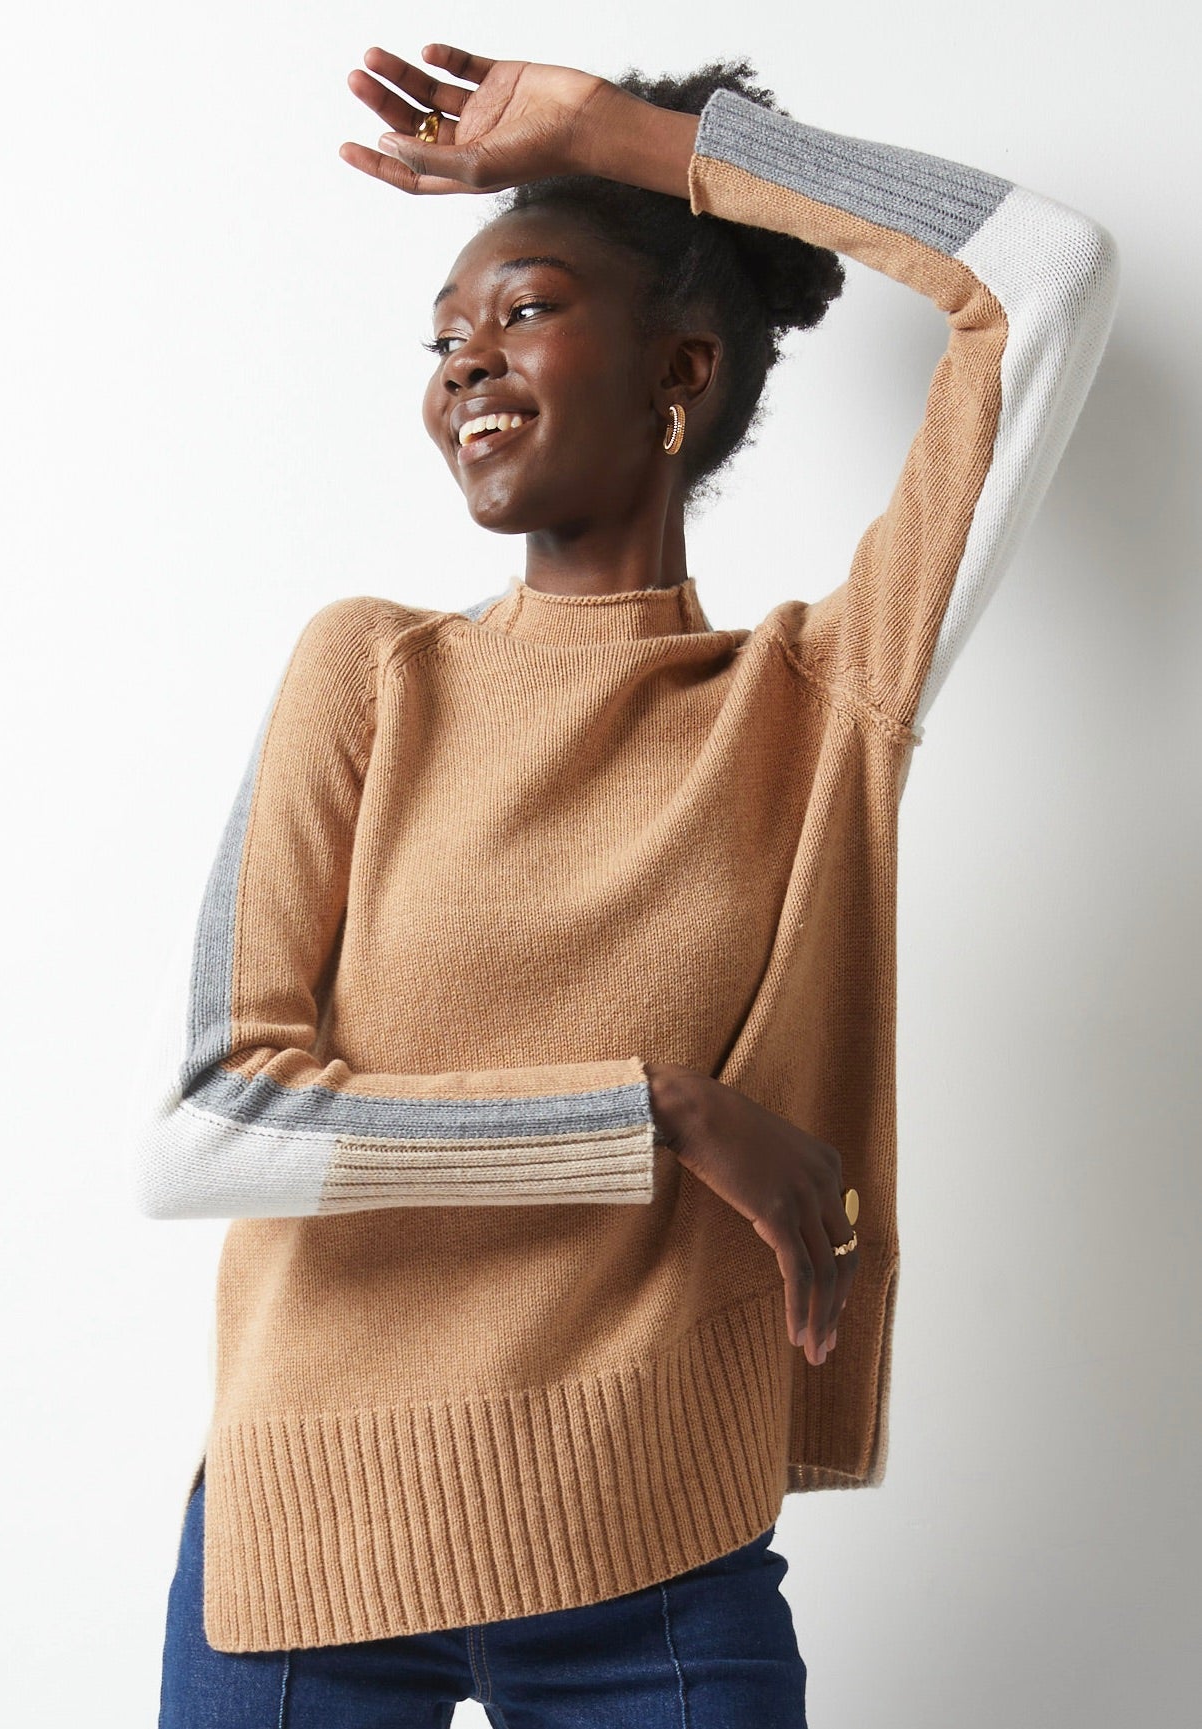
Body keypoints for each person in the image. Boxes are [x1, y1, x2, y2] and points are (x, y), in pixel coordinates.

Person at [138, 39, 1120, 1729]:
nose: (464, 362)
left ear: (681, 369)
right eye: (445, 334)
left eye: (521, 308)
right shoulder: (370, 673)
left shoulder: (811, 708)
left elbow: (1044, 277)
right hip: (304, 1556)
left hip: (653, 1563)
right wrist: (654, 1114)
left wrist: (630, 139)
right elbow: (211, 1122)